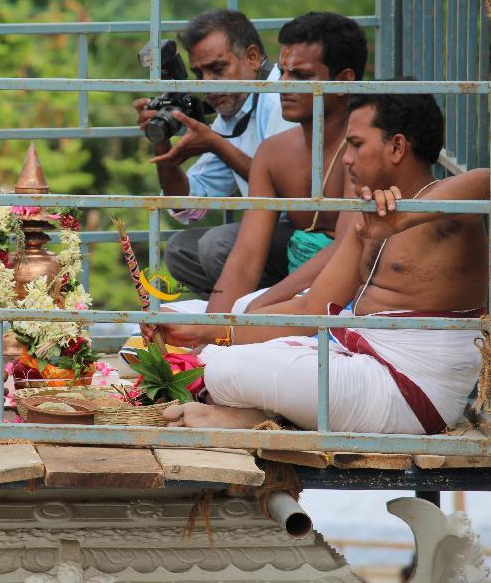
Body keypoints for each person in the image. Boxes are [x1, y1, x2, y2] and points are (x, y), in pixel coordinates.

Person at [146, 92, 487, 435]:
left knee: (225, 371)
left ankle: (252, 413)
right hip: (361, 363)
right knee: (211, 359)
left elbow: (485, 181)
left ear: (397, 147)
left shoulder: (449, 209)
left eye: (355, 145)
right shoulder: (368, 219)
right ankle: (252, 416)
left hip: (411, 394)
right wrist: (201, 329)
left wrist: (403, 220)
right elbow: (311, 309)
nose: (347, 160)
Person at [120, 12, 367, 364]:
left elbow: (346, 251)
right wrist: (207, 342)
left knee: (219, 259)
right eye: (283, 71)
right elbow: (243, 258)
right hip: (297, 281)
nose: (284, 83)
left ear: (343, 82)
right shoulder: (273, 146)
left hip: (348, 290)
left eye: (301, 76)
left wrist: (258, 307)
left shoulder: (360, 144)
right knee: (157, 325)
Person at [133, 10, 294, 297]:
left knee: (216, 245)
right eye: (199, 74)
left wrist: (215, 144)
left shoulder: (281, 97)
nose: (207, 84)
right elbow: (186, 205)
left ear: (253, 58)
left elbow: (285, 190)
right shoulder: (231, 115)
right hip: (268, 233)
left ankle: (259, 318)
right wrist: (161, 140)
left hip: (304, 230)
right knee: (182, 250)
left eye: (217, 69)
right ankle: (242, 314)